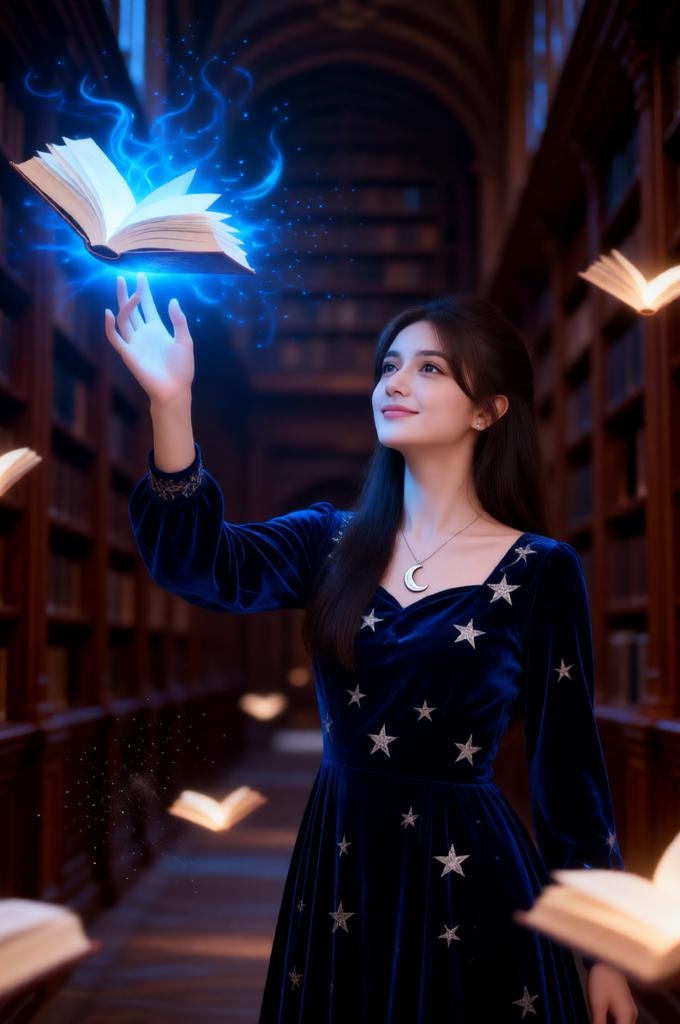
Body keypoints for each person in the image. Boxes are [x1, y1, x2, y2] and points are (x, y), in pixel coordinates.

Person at [106, 273, 639, 1023]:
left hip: (473, 878)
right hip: (341, 866)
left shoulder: (543, 569)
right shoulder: (329, 540)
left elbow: (570, 774)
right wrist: (171, 404)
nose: (395, 381)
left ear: (489, 410)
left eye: (428, 368)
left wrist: (602, 948)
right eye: (389, 364)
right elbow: (198, 564)